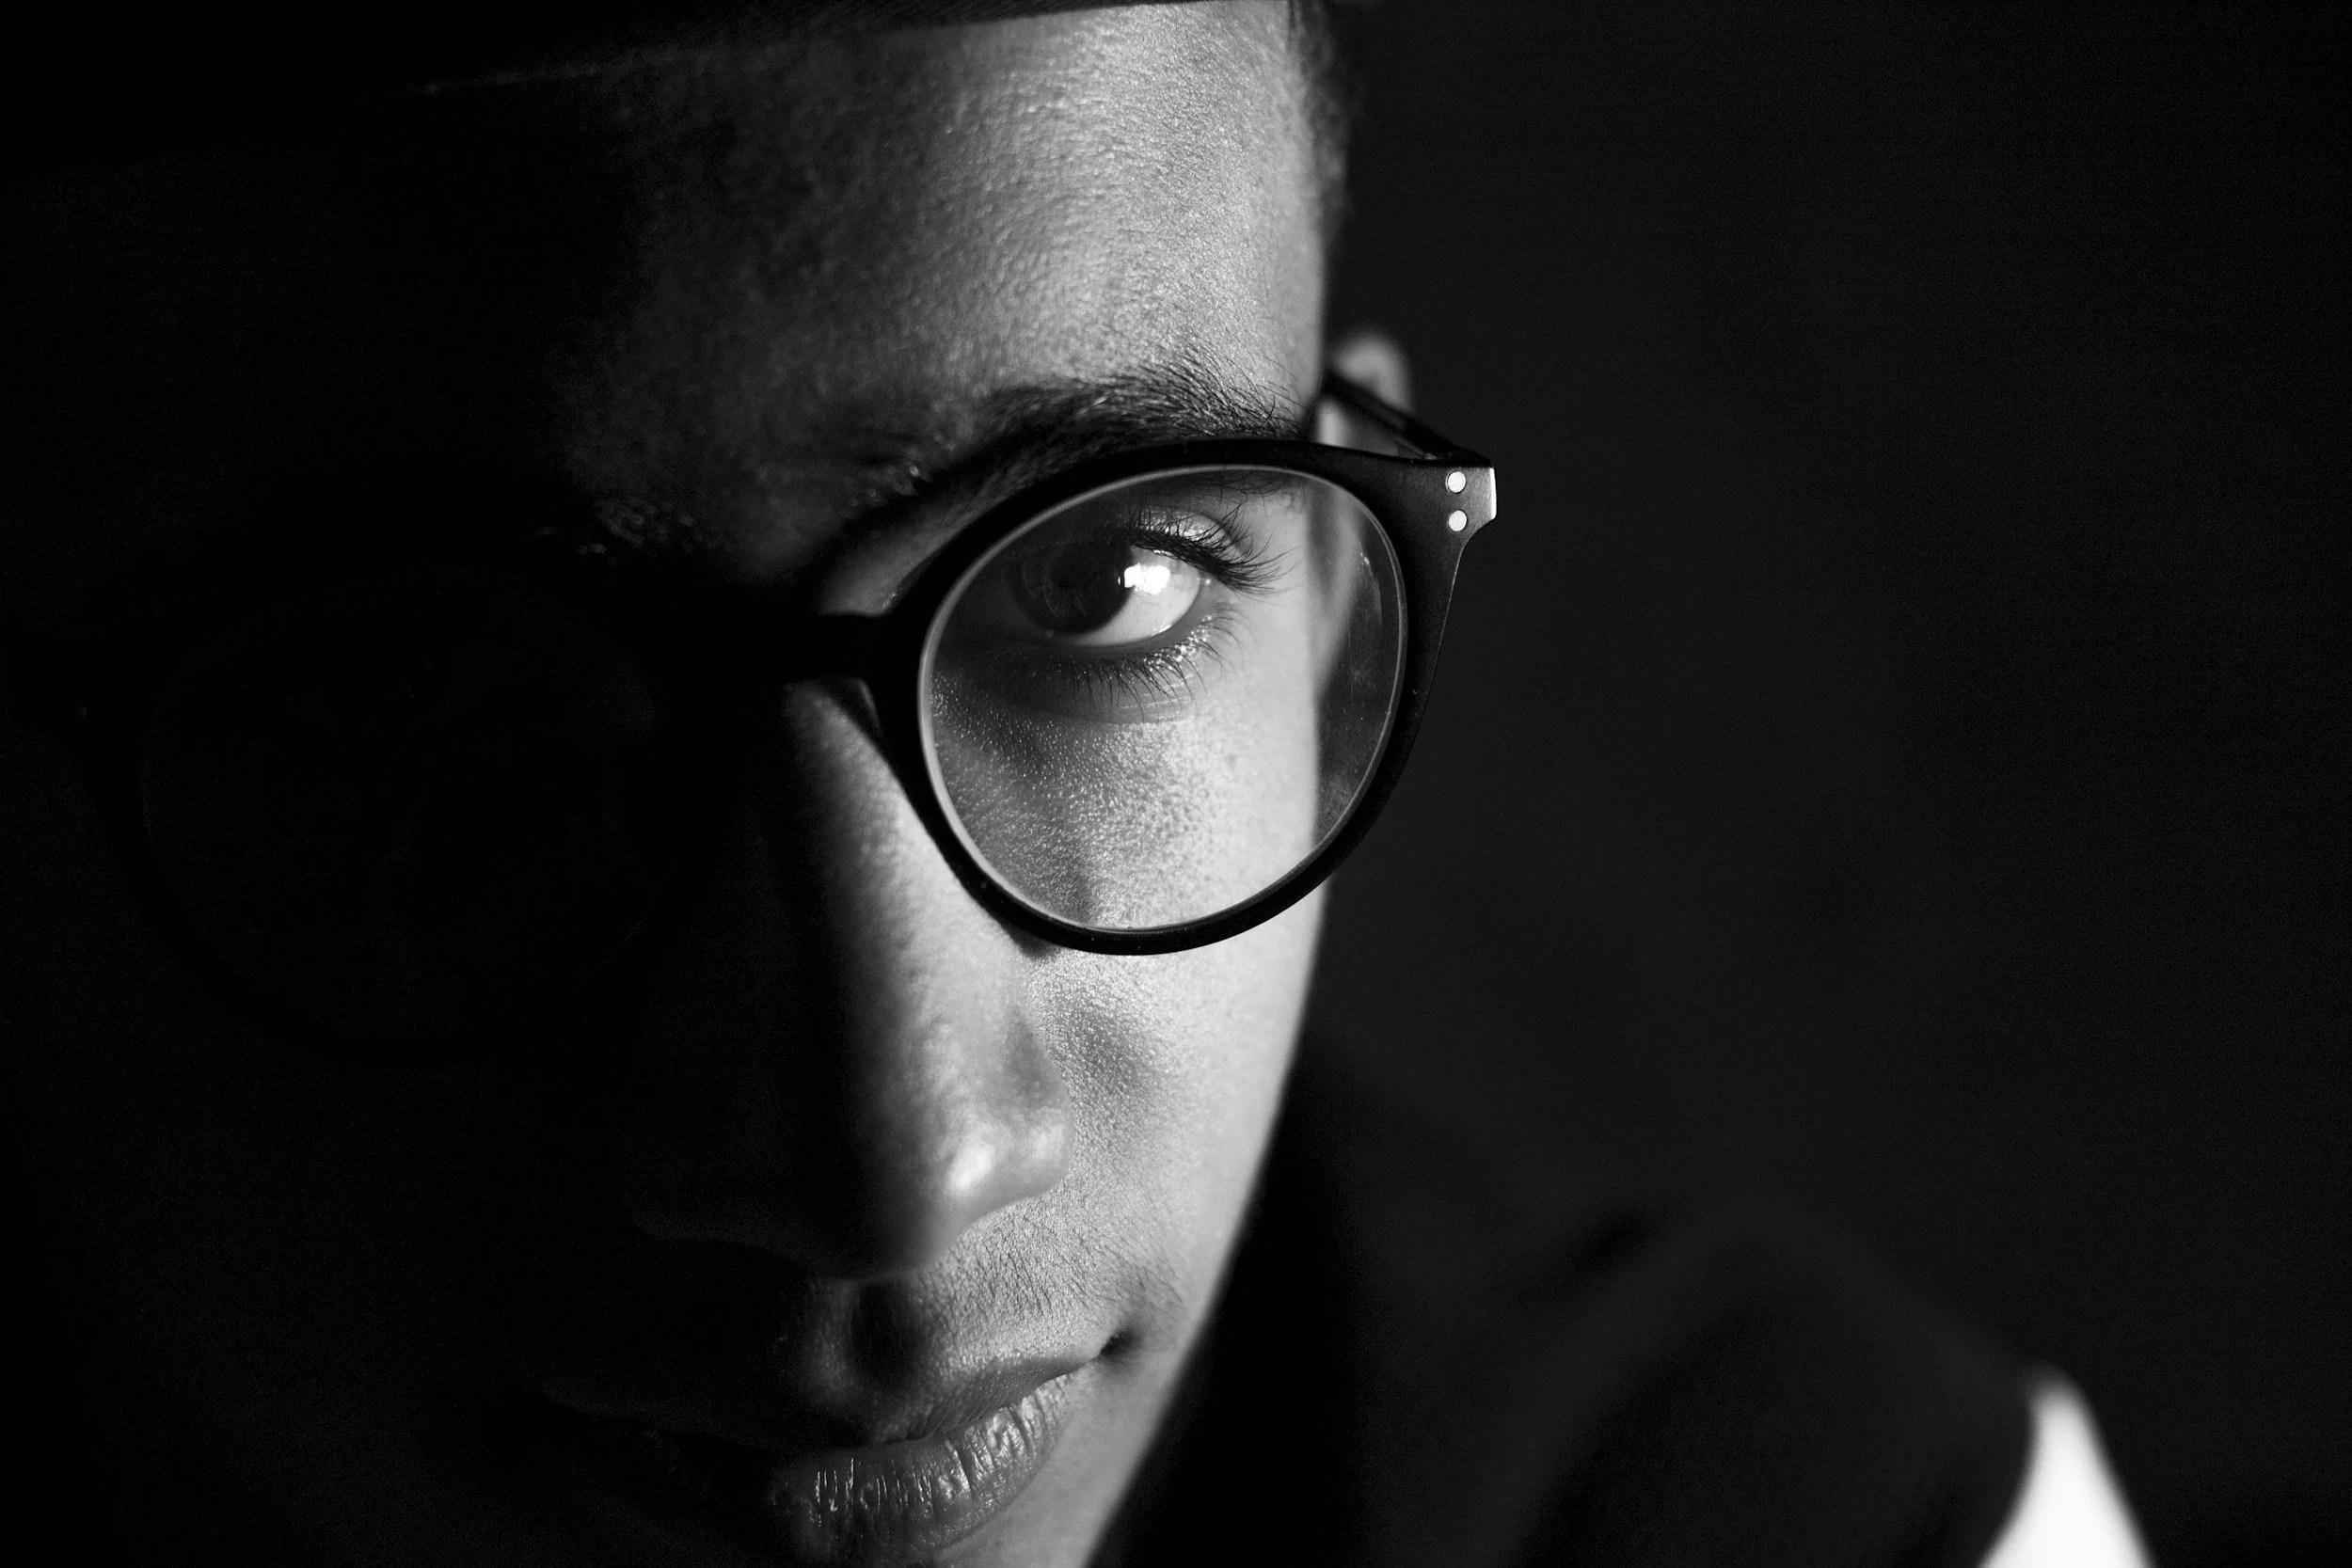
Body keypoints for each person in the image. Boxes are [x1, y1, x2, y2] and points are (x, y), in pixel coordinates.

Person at [0, 3, 2146, 1563]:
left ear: (1336, 613)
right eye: (417, 694)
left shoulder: (1814, 1515)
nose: (893, 1161)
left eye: (1098, 583)